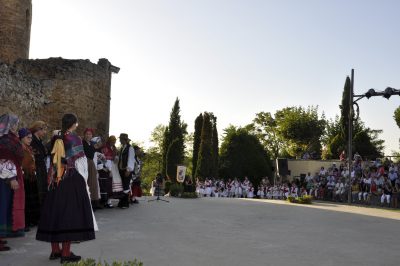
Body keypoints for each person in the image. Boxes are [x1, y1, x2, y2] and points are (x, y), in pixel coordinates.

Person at [36, 114, 96, 263]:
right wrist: (84, 180)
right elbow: (81, 162)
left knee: (54, 212)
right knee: (69, 214)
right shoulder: (75, 139)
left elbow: (50, 158)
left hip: (55, 179)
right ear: (74, 124)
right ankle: (66, 253)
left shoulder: (56, 137)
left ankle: (55, 251)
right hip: (70, 178)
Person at [0, 114, 25, 251]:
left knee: (5, 206)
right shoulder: (4, 140)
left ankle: (2, 238)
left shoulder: (8, 138)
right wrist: (11, 178)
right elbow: (4, 159)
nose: (16, 126)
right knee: (2, 207)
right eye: (15, 124)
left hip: (7, 176)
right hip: (4, 178)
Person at [19, 128, 40, 230]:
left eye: (31, 137)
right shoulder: (20, 148)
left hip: (31, 176)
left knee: (33, 198)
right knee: (26, 200)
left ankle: (33, 219)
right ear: (22, 138)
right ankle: (26, 222)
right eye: (28, 137)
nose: (30, 139)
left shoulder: (29, 148)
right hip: (24, 176)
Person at [30, 121, 48, 206]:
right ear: (38, 129)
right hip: (37, 168)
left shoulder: (39, 140)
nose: (45, 132)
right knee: (39, 190)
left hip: (41, 167)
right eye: (44, 130)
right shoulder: (33, 141)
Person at [82, 128, 101, 210]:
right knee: (85, 182)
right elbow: (87, 153)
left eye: (90, 134)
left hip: (91, 163)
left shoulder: (92, 144)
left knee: (92, 183)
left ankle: (93, 202)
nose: (88, 135)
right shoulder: (82, 143)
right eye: (87, 134)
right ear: (84, 135)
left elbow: (93, 154)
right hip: (84, 162)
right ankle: (85, 203)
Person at [117, 133, 135, 209]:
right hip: (121, 169)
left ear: (125, 140)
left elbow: (131, 159)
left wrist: (128, 170)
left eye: (121, 139)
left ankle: (125, 203)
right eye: (120, 139)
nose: (120, 140)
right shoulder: (122, 148)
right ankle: (122, 201)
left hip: (126, 170)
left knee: (126, 185)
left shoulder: (130, 148)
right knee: (123, 185)